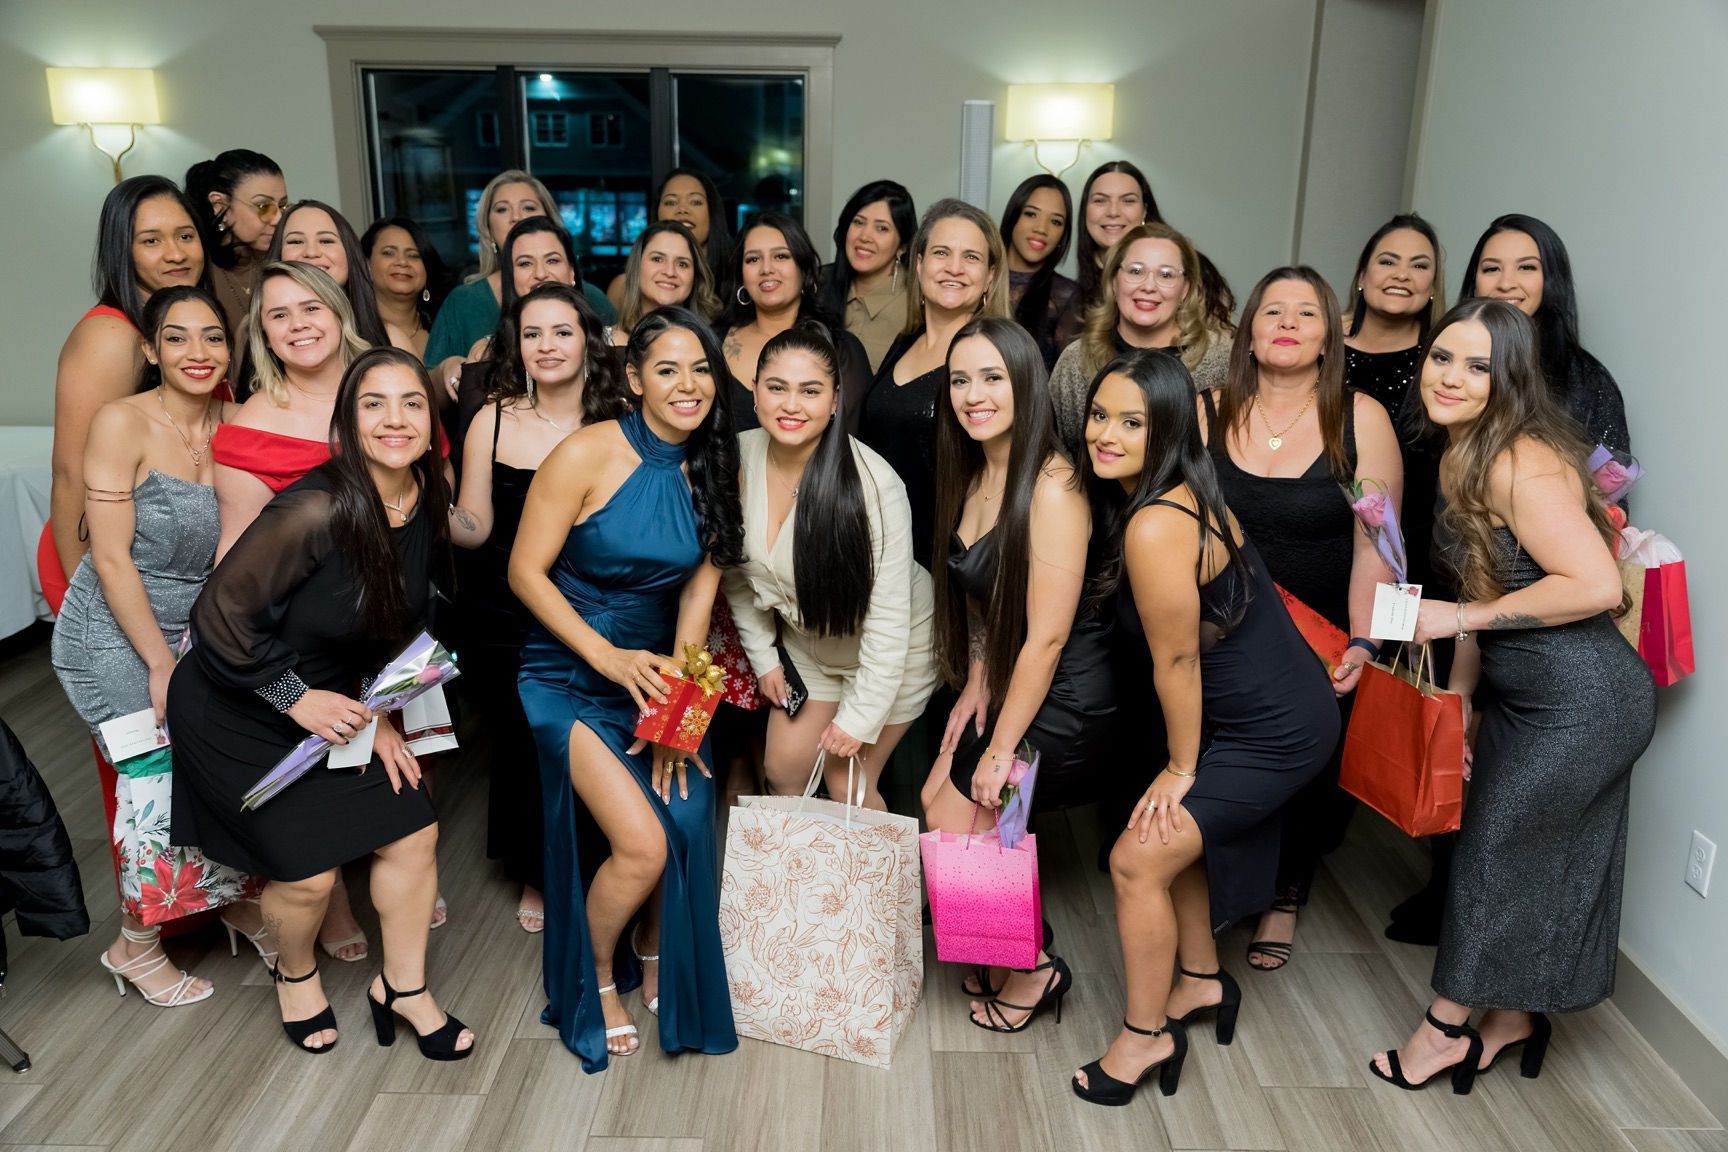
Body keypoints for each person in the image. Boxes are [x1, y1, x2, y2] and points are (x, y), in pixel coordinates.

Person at [1368, 299, 1654, 1095]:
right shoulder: (1466, 452)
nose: (1451, 378)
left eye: (1478, 366)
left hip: (1586, 704)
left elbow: (1595, 586)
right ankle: (1515, 1015)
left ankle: (1442, 1034)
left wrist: (1461, 617)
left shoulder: (1517, 461)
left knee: (1493, 856)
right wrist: (1460, 697)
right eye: (1442, 358)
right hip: (1530, 698)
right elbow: (1483, 586)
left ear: (1512, 380)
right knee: (1541, 860)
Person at [167, 347, 474, 1060]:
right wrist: (296, 699)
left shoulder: (425, 495)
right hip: (237, 702)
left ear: (433, 423)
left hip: (336, 699)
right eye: (374, 404)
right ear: (348, 422)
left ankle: (403, 988)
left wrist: (388, 717)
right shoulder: (316, 506)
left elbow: (408, 624)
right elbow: (218, 621)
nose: (394, 419)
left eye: (411, 403)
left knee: (414, 830)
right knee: (308, 878)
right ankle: (293, 968)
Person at [1073, 349, 1338, 1106]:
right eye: (1100, 416)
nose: (1107, 435)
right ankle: (1198, 983)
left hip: (1276, 729)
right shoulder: (1173, 492)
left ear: (1169, 432)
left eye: (1133, 422)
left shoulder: (1157, 521)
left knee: (1135, 860)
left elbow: (1180, 660)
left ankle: (1144, 1037)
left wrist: (1182, 767)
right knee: (1169, 841)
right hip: (1269, 711)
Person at [512, 307, 742, 1071]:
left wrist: (679, 721)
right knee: (641, 847)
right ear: (635, 378)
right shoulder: (585, 453)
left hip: (655, 681)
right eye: (668, 369)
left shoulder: (713, 466)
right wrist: (608, 659)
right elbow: (524, 574)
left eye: (702, 368)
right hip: (566, 674)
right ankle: (598, 974)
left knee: (689, 812)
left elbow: (697, 610)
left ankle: (655, 949)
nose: (688, 385)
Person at [50, 286, 264, 1006]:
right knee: (154, 781)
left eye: (212, 338)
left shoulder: (236, 423)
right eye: (177, 338)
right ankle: (133, 947)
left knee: (220, 769)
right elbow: (109, 559)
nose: (197, 353)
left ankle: (228, 903)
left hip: (196, 628)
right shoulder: (121, 422)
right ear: (149, 349)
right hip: (113, 627)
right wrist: (162, 665)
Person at [1197, 266, 1402, 972]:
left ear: (1328, 338)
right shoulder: (1205, 412)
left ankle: (1284, 894)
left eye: (1306, 313)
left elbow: (1378, 545)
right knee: (1213, 767)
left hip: (1317, 637)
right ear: (1248, 334)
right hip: (1219, 633)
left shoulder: (1361, 418)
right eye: (1272, 310)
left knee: (1305, 771)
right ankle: (1212, 892)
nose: (1287, 322)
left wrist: (1366, 641)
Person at [918, 317, 1114, 1031]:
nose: (974, 394)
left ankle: (1033, 969)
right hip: (1013, 674)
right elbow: (982, 606)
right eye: (960, 379)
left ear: (1026, 382)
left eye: (992, 377)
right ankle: (999, 947)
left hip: (1070, 695)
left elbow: (1048, 636)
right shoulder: (974, 472)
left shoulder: (1055, 484)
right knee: (935, 785)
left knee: (961, 805)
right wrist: (974, 682)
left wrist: (1000, 746)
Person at [448, 283, 630, 934]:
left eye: (561, 331)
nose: (547, 346)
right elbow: (473, 524)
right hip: (507, 610)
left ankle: (609, 857)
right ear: (514, 347)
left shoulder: (623, 416)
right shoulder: (492, 418)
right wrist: (416, 505)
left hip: (601, 605)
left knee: (598, 738)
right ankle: (540, 869)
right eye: (532, 334)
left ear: (590, 338)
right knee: (530, 743)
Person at [722, 322, 935, 810]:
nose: (791, 405)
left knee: (847, 787)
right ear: (755, 393)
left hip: (895, 651)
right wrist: (765, 659)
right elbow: (734, 573)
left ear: (835, 400)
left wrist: (858, 718)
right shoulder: (735, 458)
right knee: (782, 771)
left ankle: (876, 889)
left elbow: (888, 619)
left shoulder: (876, 486)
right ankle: (807, 885)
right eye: (776, 388)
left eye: (810, 391)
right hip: (810, 648)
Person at [45, 176, 205, 615]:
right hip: (100, 561)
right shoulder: (112, 335)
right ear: (123, 250)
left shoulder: (191, 326)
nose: (176, 253)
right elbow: (70, 475)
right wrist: (84, 603)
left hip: (162, 562)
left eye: (186, 235)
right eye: (151, 240)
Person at [858, 199, 1010, 572]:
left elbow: (1011, 474)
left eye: (971, 257)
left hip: (943, 564)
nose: (954, 268)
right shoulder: (905, 340)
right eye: (941, 252)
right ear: (920, 263)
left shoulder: (996, 356)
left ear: (990, 276)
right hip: (878, 554)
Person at [1047, 222, 1234, 458]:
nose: (1148, 286)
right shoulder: (1077, 359)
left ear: (1185, 288)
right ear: (1115, 280)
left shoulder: (1219, 357)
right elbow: (1055, 452)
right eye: (1136, 271)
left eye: (1166, 275)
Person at [425, 170, 616, 393]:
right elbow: (426, 390)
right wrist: (448, 370)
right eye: (502, 209)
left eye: (528, 207)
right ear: (487, 227)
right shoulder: (464, 301)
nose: (516, 217)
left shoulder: (592, 298)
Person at [1460, 213, 1630, 453]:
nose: (1506, 282)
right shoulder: (1442, 364)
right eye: (1491, 268)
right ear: (1474, 282)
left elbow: (1613, 484)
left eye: (1527, 267)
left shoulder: (1587, 380)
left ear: (1551, 279)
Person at [720, 211, 871, 435]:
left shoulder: (842, 348)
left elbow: (853, 441)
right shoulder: (712, 340)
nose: (766, 269)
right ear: (741, 275)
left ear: (804, 268)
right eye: (753, 259)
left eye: (781, 256)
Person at [451, 215, 590, 452]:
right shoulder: (486, 353)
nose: (540, 273)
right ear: (510, 277)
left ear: (572, 272)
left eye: (553, 260)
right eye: (525, 263)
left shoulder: (613, 344)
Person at [1061, 161, 1234, 346]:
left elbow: (1221, 349)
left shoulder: (1197, 270)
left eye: (1128, 201)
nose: (1113, 212)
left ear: (1144, 210)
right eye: (1100, 200)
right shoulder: (1072, 292)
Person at [1343, 214, 1445, 423]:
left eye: (1419, 266)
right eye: (1388, 262)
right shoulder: (1319, 341)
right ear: (1362, 276)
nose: (1401, 275)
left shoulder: (1444, 357)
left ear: (1433, 285)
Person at [264, 200, 392, 353]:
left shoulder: (393, 340)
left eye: (326, 241)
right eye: (296, 241)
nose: (311, 252)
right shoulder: (255, 331)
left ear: (350, 253)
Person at [184, 150, 288, 334]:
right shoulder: (193, 269)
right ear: (220, 205)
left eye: (282, 206)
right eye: (264, 206)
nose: (278, 219)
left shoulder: (283, 260)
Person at [820, 180, 918, 372]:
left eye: (882, 228)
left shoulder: (916, 302)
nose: (865, 236)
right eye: (858, 222)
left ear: (902, 246)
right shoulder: (818, 282)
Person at [605, 168, 732, 311]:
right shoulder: (623, 288)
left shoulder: (736, 282)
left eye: (695, 202)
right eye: (671, 202)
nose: (682, 209)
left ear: (712, 213)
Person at [999, 174, 1078, 368]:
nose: (1041, 228)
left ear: (1063, 236)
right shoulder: (976, 278)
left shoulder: (1068, 296)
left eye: (1056, 221)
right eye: (1031, 214)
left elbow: (1068, 383)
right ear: (1013, 216)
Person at [609, 221, 722, 349]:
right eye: (657, 259)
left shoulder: (715, 343)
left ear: (695, 276)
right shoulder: (604, 343)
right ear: (637, 266)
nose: (670, 272)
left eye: (682, 264)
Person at [362, 216, 451, 360]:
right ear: (367, 266)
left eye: (414, 256)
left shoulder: (447, 329)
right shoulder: (352, 333)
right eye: (388, 253)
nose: (403, 262)